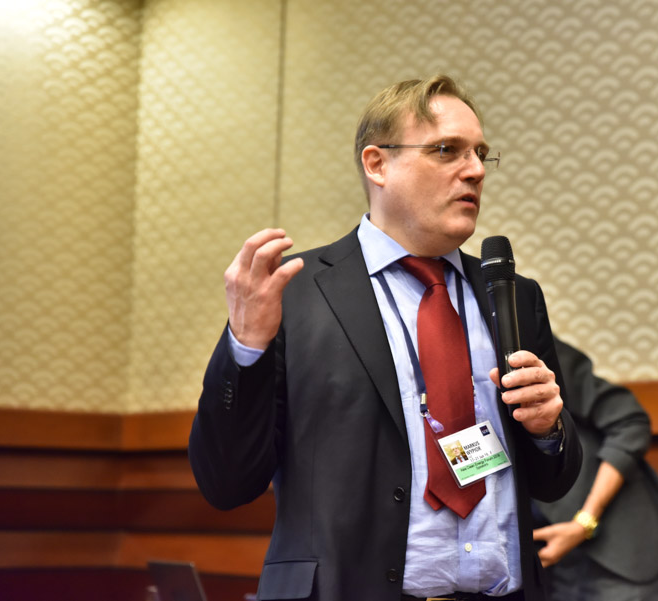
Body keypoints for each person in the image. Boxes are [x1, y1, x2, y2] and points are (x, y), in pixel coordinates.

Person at [188, 75, 583, 601]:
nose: (475, 170)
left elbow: (554, 481)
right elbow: (226, 482)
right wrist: (246, 348)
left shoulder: (512, 295)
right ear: (377, 164)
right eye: (447, 150)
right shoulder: (293, 294)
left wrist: (547, 429)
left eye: (480, 153)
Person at [532, 337, 658, 601]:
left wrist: (586, 521)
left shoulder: (528, 344)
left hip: (618, 550)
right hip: (551, 562)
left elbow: (630, 422)